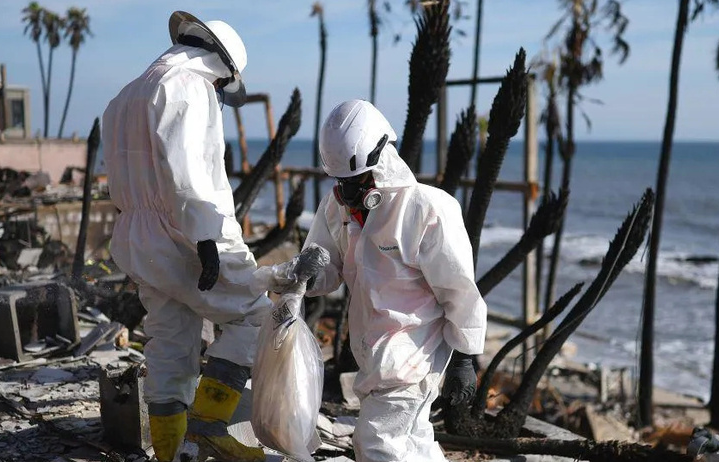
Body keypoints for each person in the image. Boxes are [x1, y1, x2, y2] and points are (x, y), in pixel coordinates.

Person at [260, 99, 487, 461]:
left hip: (415, 353)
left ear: (382, 160)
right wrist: (307, 272)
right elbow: (328, 268)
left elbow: (458, 291)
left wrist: (464, 358)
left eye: (357, 182)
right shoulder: (338, 207)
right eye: (341, 182)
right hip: (375, 354)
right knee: (413, 442)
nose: (349, 192)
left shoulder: (425, 209)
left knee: (377, 442)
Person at [102, 11, 268, 462]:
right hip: (187, 235)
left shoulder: (125, 95)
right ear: (223, 68)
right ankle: (210, 426)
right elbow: (188, 172)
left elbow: (120, 177)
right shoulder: (190, 87)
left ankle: (171, 453)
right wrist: (207, 238)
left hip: (139, 238)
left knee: (169, 339)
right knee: (258, 314)